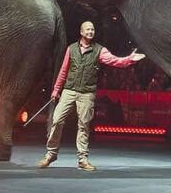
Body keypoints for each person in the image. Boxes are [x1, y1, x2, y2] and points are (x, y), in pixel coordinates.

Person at [38, 21, 145, 171]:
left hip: (87, 93)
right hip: (69, 90)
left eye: (92, 29)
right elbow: (63, 71)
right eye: (87, 29)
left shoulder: (99, 50)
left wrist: (129, 59)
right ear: (81, 32)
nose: (90, 31)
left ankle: (82, 159)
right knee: (56, 120)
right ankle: (51, 154)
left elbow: (115, 60)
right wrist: (56, 89)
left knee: (84, 125)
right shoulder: (72, 49)